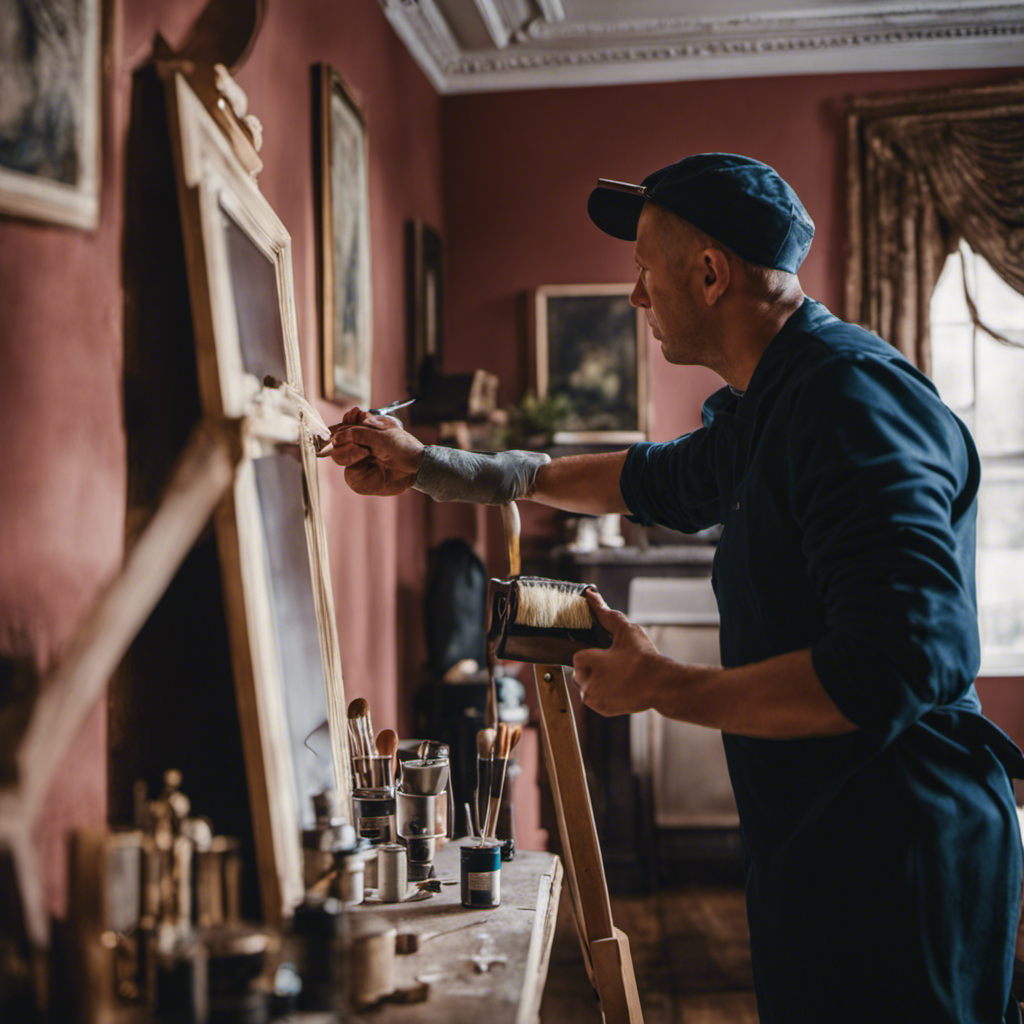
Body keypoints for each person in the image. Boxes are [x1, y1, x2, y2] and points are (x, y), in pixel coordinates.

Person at [324, 153, 1024, 1023]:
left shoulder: (851, 401)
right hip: (817, 843)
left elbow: (904, 658)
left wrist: (663, 686)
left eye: (646, 272)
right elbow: (642, 479)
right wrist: (434, 466)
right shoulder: (771, 398)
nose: (636, 299)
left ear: (709, 272)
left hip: (898, 852)